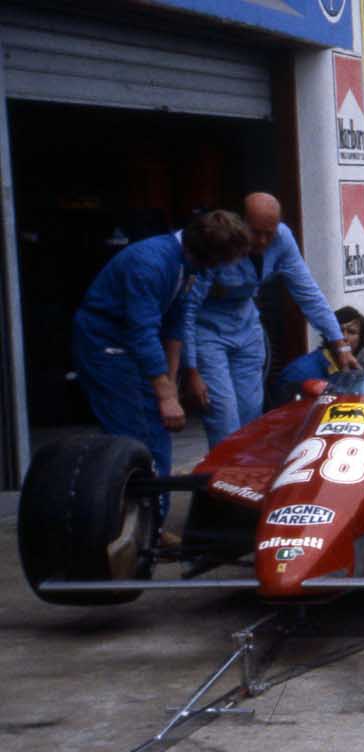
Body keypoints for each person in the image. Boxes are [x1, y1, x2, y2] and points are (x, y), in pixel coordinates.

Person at [73, 211, 251, 520]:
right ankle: (141, 528)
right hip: (108, 346)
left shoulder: (188, 264)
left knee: (154, 433)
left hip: (136, 346)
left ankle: (148, 524)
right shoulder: (150, 264)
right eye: (217, 263)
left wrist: (170, 381)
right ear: (203, 254)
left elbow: (175, 323)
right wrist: (165, 396)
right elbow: (142, 331)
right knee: (142, 439)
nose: (217, 271)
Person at [183, 193, 357, 448]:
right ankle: (219, 482)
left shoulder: (283, 238)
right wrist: (191, 369)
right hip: (208, 332)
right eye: (255, 233)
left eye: (269, 233)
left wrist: (338, 343)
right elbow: (187, 309)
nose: (263, 241)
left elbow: (307, 292)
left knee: (250, 415)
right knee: (223, 416)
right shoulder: (218, 243)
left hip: (246, 328)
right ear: (240, 224)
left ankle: (246, 482)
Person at [275, 306, 364, 401]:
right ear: (329, 335)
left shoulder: (355, 370)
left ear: (361, 340)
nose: (344, 337)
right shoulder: (301, 370)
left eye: (351, 332)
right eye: (338, 331)